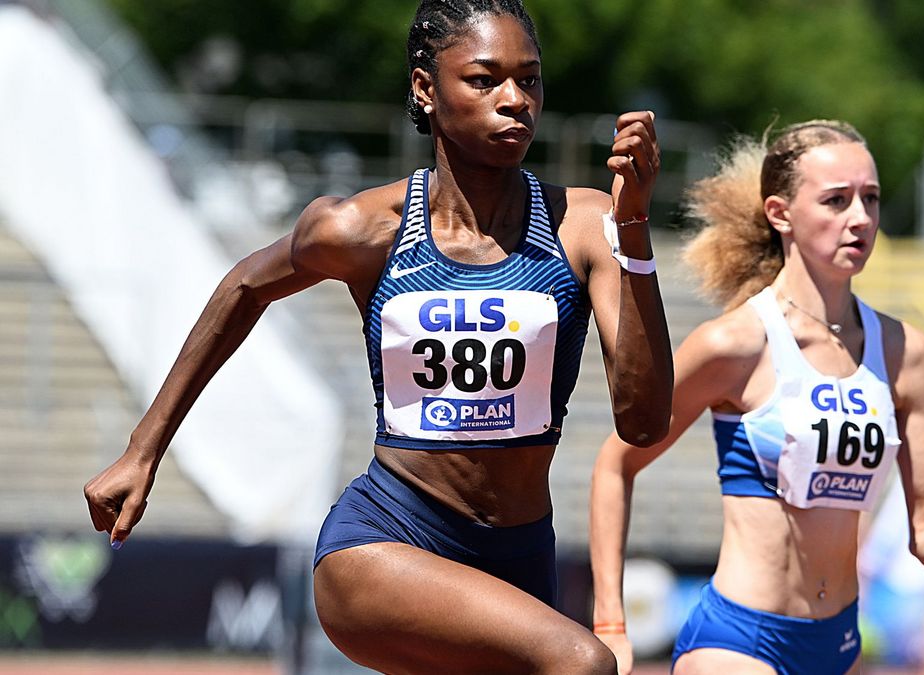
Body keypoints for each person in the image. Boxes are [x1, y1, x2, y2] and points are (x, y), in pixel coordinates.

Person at [83, 1, 674, 672]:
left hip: (519, 557)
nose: (515, 100)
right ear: (427, 89)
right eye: (484, 79)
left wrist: (634, 232)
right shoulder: (359, 230)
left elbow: (645, 421)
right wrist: (143, 449)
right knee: (582, 662)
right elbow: (245, 286)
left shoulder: (584, 225)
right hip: (386, 542)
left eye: (530, 80)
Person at [589, 120, 924, 675]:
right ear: (781, 213)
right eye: (836, 200)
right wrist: (610, 623)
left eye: (871, 199)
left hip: (839, 644)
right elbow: (616, 463)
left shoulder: (908, 354)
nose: (860, 218)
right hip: (739, 641)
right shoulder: (735, 343)